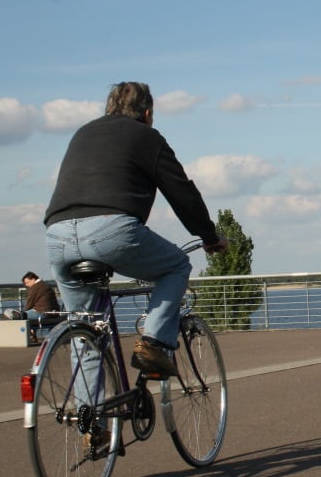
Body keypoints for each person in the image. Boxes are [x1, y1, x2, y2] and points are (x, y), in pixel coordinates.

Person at [44, 81, 227, 377]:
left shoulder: (83, 132)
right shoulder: (147, 136)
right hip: (110, 229)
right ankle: (153, 344)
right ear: (147, 113)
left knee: (86, 331)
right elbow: (181, 192)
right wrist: (208, 236)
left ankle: (91, 419)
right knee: (176, 266)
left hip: (58, 234)